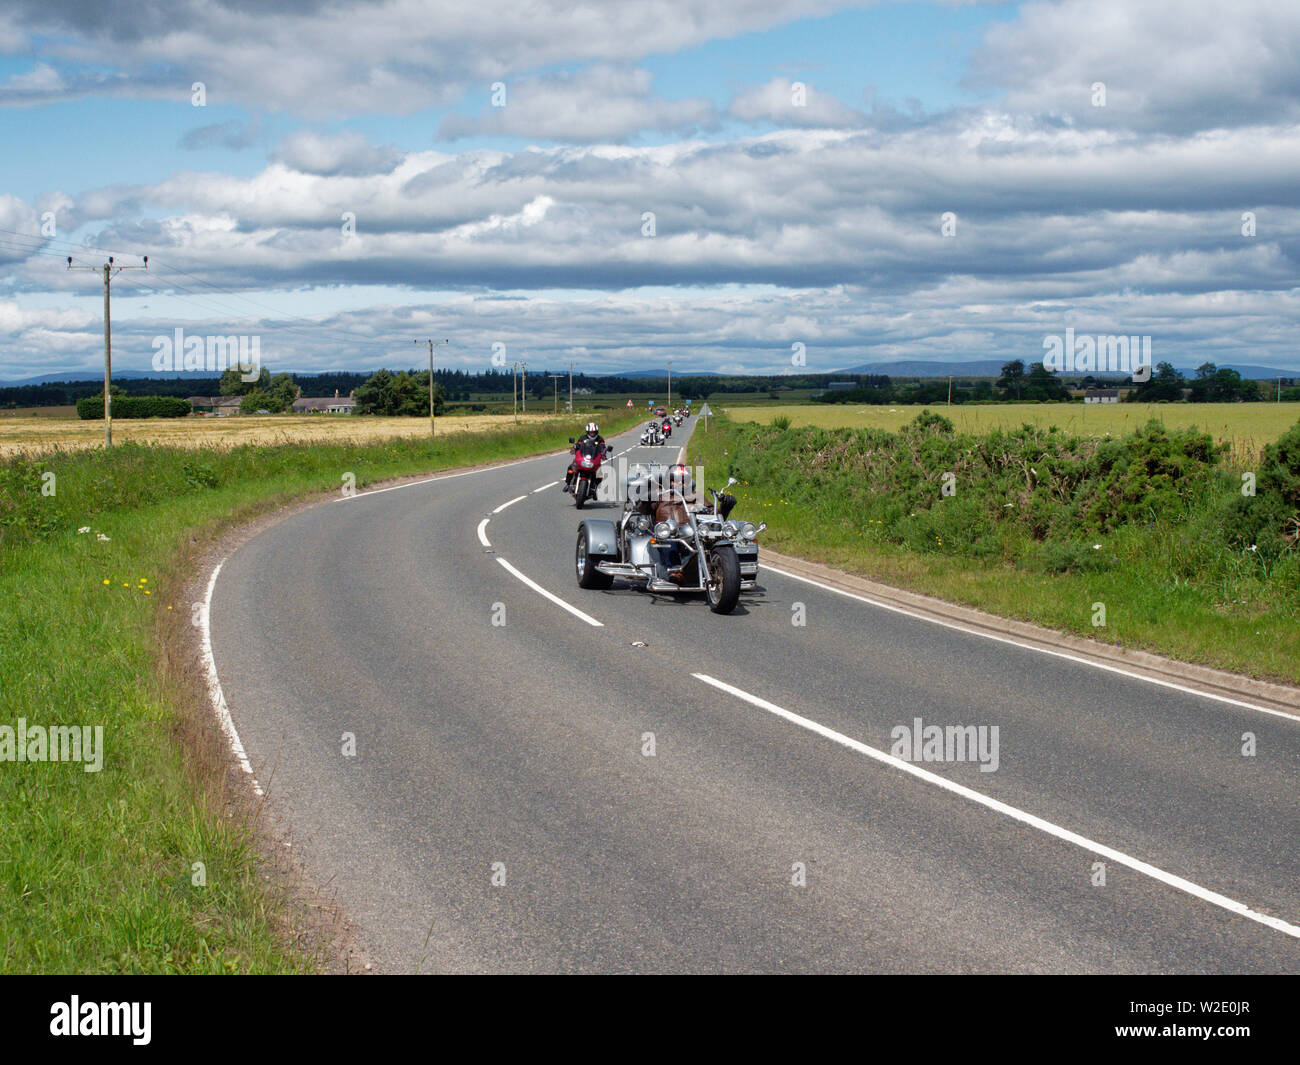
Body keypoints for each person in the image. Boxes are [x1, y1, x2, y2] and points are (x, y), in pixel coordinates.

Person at [562, 422, 606, 492]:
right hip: (583, 457)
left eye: (593, 432)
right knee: (570, 468)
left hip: (594, 459)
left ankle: (594, 488)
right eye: (591, 432)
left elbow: (603, 447)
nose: (592, 434)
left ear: (596, 432)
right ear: (587, 432)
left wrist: (604, 453)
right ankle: (568, 484)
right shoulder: (583, 438)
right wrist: (574, 447)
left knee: (600, 474)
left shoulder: (600, 439)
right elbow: (578, 444)